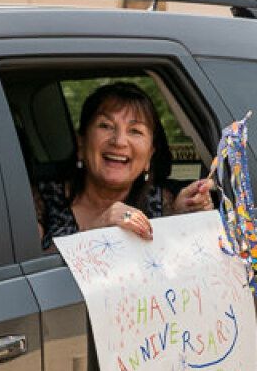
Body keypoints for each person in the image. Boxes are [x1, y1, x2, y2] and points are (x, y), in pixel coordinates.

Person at [35, 82, 215, 250]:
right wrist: (95, 232)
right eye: (105, 126)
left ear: (149, 156)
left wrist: (184, 218)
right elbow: (19, 273)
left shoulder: (163, 203)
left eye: (135, 131)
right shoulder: (40, 201)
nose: (119, 141)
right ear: (81, 143)